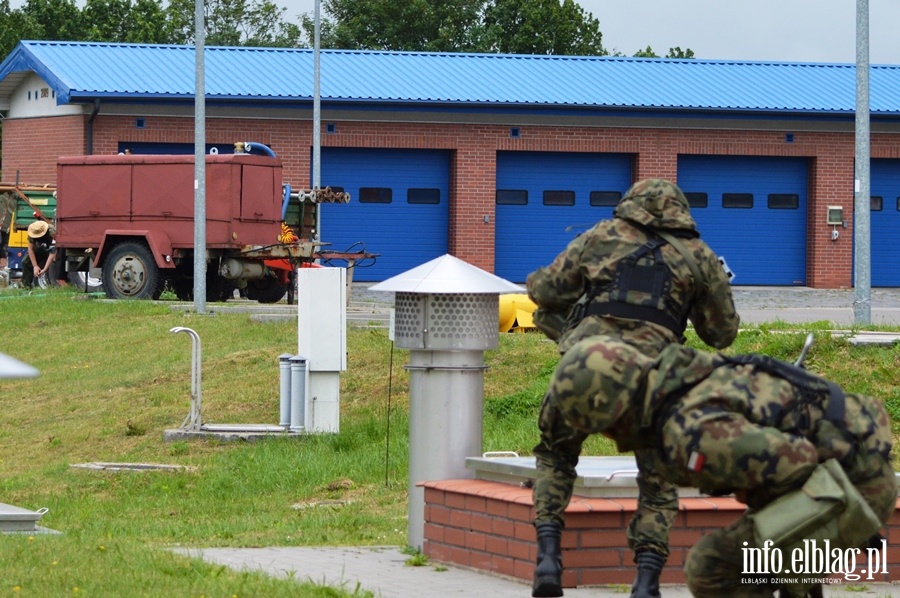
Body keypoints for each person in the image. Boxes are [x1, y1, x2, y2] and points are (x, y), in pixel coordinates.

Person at [532, 337, 896, 598]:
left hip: (856, 481)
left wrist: (840, 525)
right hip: (847, 466)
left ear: (610, 413)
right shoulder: (677, 383)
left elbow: (796, 460)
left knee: (712, 566)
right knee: (770, 554)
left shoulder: (689, 434)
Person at [526, 178, 740, 598]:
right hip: (651, 384)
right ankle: (646, 581)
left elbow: (543, 290)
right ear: (681, 211)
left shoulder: (602, 235)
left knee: (555, 455)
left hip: (586, 368)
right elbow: (721, 334)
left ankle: (548, 559)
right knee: (658, 484)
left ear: (631, 204)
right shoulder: (699, 256)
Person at [23, 220, 63, 287]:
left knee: (54, 263)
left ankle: (53, 283)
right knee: (25, 262)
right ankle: (27, 286)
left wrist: (45, 268)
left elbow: (52, 252)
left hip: (50, 251)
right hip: (38, 250)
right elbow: (30, 249)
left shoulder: (51, 232)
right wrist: (35, 266)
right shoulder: (32, 233)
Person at [0, 191, 14, 275]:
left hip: (5, 228)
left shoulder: (3, 199)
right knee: (3, 244)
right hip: (5, 228)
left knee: (3, 244)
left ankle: (3, 263)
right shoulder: (3, 199)